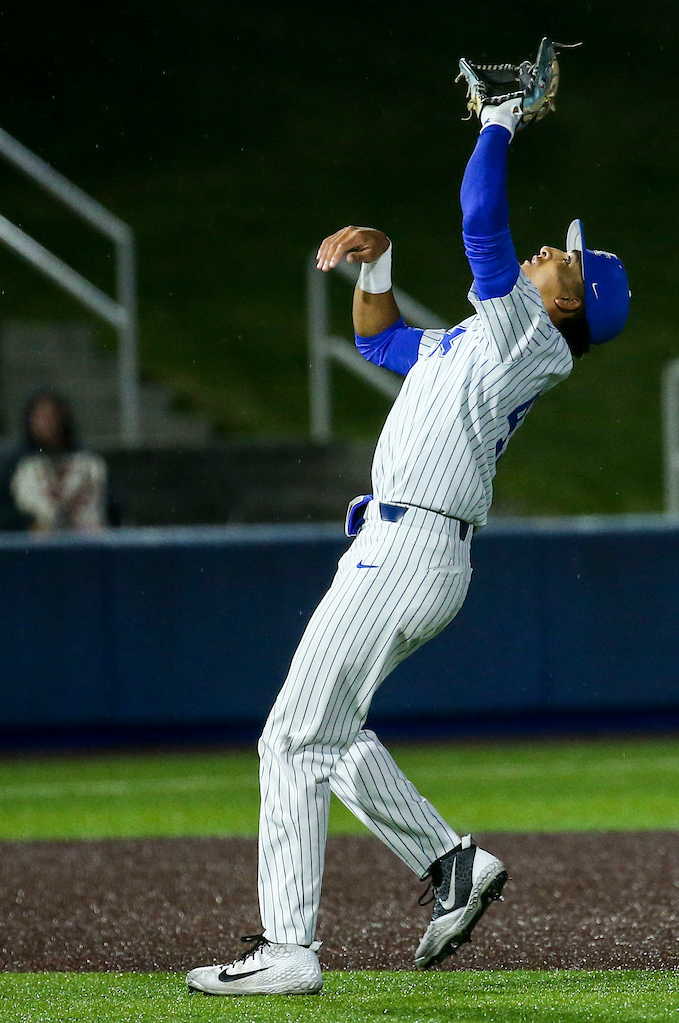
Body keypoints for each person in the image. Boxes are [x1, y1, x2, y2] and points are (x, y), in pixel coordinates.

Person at [187, 49, 630, 996]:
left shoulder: (528, 335)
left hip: (413, 542)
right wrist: (378, 259)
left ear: (571, 303)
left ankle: (290, 951)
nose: (555, 250)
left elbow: (480, 222)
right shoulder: (485, 337)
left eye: (570, 258)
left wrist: (501, 121)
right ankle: (451, 864)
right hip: (407, 546)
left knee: (291, 739)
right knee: (331, 732)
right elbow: (380, 338)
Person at [0, 389, 119, 532]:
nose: (46, 424)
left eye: (51, 417)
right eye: (40, 417)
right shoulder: (15, 462)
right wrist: (28, 523)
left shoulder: (89, 460)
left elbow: (113, 505)